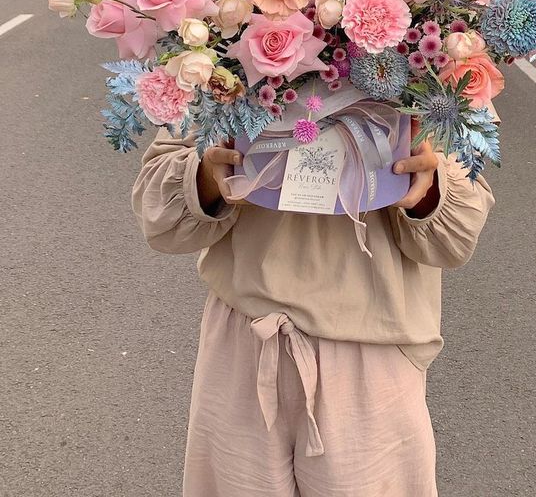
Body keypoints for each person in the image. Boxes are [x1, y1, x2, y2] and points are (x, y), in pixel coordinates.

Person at [132, 123, 494, 496]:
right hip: (245, 347)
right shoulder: (212, 70)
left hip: (371, 359)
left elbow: (456, 238)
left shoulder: (438, 73)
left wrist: (426, 185)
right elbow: (160, 217)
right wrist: (209, 175)